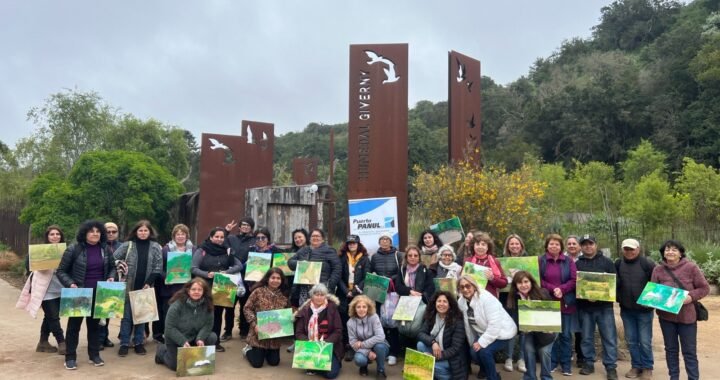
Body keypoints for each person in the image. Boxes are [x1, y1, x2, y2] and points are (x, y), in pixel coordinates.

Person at [56, 220, 116, 370]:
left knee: (95, 327)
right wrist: (70, 284)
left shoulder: (105, 249)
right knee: (74, 327)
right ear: (85, 233)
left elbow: (113, 268)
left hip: (100, 293)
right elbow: (61, 271)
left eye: (98, 231)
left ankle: (94, 355)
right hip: (79, 293)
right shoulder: (73, 249)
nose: (95, 234)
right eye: (91, 231)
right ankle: (70, 357)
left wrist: (111, 277)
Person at [651, 240, 709, 380]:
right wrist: (651, 300)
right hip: (666, 318)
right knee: (671, 351)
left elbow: (704, 288)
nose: (670, 252)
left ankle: (693, 378)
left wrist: (691, 297)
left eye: (674, 249)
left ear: (680, 253)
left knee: (689, 352)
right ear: (663, 253)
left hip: (687, 318)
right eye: (667, 249)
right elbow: (653, 291)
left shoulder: (691, 267)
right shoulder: (658, 270)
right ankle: (674, 377)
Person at [113, 220, 163, 357]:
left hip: (145, 286)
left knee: (141, 317)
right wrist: (120, 264)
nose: (143, 233)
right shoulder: (128, 245)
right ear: (135, 231)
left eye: (145, 230)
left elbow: (158, 267)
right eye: (140, 230)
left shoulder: (155, 247)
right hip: (128, 287)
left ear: (150, 232)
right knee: (127, 317)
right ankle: (124, 343)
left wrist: (148, 282)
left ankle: (138, 343)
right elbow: (113, 258)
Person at [191, 227, 243, 352]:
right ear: (211, 237)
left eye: (221, 237)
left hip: (222, 286)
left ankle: (215, 342)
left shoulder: (227, 251)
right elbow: (193, 268)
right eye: (217, 237)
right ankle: (198, 341)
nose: (219, 239)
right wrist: (207, 274)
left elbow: (239, 265)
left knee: (218, 315)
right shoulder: (202, 250)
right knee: (203, 314)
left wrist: (227, 271)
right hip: (204, 286)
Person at [17, 225, 66, 355]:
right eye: (52, 234)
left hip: (61, 288)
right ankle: (62, 342)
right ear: (47, 237)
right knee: (54, 317)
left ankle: (43, 342)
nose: (55, 236)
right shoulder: (39, 251)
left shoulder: (66, 250)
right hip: (45, 289)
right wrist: (39, 265)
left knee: (49, 316)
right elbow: (29, 266)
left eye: (57, 234)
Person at [457, 275, 517, 380]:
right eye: (462, 287)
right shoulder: (461, 302)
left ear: (474, 286)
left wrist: (481, 343)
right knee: (473, 352)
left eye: (468, 286)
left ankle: (493, 377)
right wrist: (474, 342)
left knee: (485, 352)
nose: (465, 289)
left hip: (502, 332)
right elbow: (468, 325)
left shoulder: (486, 298)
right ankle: (486, 370)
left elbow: (495, 325)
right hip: (483, 332)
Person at [575, 235, 618, 379]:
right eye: (585, 244)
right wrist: (584, 294)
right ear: (581, 247)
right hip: (585, 308)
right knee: (586, 338)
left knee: (609, 338)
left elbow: (615, 283)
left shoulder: (607, 262)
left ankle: (611, 367)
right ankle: (588, 363)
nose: (588, 246)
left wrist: (601, 292)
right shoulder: (577, 264)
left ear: (596, 245)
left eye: (590, 244)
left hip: (604, 308)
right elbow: (574, 284)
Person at [154, 278, 216, 371]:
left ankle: (196, 353)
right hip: (176, 339)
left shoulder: (208, 305)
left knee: (212, 336)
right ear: (188, 290)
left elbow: (208, 325)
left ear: (204, 291)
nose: (196, 292)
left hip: (194, 338)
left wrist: (200, 338)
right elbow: (169, 328)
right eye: (194, 289)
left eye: (200, 290)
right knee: (176, 366)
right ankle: (161, 351)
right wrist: (183, 341)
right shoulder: (177, 305)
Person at [615, 238, 655, 379]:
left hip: (644, 310)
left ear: (638, 249)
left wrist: (651, 301)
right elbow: (614, 284)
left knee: (644, 341)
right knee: (631, 340)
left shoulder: (647, 263)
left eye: (632, 249)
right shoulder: (618, 263)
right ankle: (636, 366)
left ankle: (647, 367)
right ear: (622, 250)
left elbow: (656, 283)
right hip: (626, 310)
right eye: (626, 249)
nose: (629, 251)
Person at [539, 233, 577, 376]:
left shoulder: (568, 261)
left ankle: (566, 364)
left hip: (566, 303)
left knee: (566, 335)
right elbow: (538, 279)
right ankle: (553, 362)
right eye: (551, 244)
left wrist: (561, 289)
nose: (554, 246)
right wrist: (552, 289)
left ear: (561, 246)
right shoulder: (541, 261)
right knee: (551, 335)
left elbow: (574, 280)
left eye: (556, 244)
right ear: (547, 246)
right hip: (548, 303)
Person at [506, 271, 555, 380]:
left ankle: (546, 377)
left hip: (546, 331)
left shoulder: (543, 293)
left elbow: (552, 312)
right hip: (528, 332)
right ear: (515, 285)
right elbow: (514, 319)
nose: (523, 285)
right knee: (528, 352)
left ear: (531, 282)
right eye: (519, 283)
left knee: (544, 352)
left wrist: (550, 327)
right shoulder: (513, 298)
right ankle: (530, 377)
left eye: (526, 281)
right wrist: (521, 328)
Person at [242, 267, 291, 368]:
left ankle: (266, 352)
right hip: (258, 333)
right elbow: (247, 308)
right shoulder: (258, 291)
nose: (275, 280)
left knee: (274, 362)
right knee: (257, 363)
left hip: (274, 336)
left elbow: (287, 314)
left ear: (281, 280)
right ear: (267, 279)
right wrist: (254, 324)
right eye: (273, 277)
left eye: (278, 278)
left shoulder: (284, 295)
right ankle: (247, 349)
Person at [295, 283, 344, 379]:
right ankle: (316, 365)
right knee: (323, 368)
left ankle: (319, 366)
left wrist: (325, 343)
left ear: (325, 296)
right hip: (311, 346)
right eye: (316, 294)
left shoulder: (332, 308)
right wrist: (309, 342)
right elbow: (299, 332)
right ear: (312, 296)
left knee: (331, 375)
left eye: (322, 295)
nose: (319, 297)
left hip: (328, 346)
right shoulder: (305, 310)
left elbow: (338, 330)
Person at [416, 291, 469, 380]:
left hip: (452, 360)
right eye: (439, 301)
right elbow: (421, 333)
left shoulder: (457, 320)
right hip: (437, 351)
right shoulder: (432, 316)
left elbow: (455, 349)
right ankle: (435, 374)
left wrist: (433, 358)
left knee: (423, 365)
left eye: (445, 301)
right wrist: (433, 342)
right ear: (435, 303)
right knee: (420, 345)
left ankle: (444, 375)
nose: (441, 304)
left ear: (450, 305)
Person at [156, 224, 194, 344]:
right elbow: (159, 268)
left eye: (183, 234)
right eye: (178, 234)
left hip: (186, 287)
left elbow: (196, 266)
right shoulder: (166, 249)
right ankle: (165, 335)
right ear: (174, 236)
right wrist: (166, 276)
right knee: (168, 312)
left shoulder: (193, 249)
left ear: (187, 235)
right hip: (169, 287)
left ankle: (182, 336)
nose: (180, 236)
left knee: (185, 313)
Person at [369, 232, 402, 365]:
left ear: (390, 241)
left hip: (393, 293)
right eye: (382, 239)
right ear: (379, 242)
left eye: (387, 239)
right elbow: (371, 272)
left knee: (393, 324)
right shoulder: (375, 257)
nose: (384, 241)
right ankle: (383, 350)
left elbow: (401, 272)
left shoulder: (398, 255)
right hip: (378, 292)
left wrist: (390, 280)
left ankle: (394, 352)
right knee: (379, 322)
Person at [288, 228, 341, 307]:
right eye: (313, 236)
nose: (315, 238)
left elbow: (337, 269)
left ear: (323, 239)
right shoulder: (303, 250)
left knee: (321, 313)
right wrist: (300, 263)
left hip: (322, 289)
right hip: (304, 290)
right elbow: (290, 262)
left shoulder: (329, 250)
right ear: (309, 238)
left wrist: (329, 285)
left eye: (317, 236)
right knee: (305, 313)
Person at [337, 234, 370, 361]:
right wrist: (346, 291)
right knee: (345, 320)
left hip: (358, 294)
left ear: (358, 244)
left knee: (356, 321)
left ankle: (354, 347)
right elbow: (338, 276)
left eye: (354, 243)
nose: (352, 245)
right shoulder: (341, 257)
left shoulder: (365, 259)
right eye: (349, 243)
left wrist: (355, 291)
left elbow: (366, 276)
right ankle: (345, 345)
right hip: (344, 294)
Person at [224, 217, 256, 339]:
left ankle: (244, 330)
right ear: (239, 227)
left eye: (248, 225)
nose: (245, 227)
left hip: (247, 278)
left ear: (251, 228)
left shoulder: (254, 240)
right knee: (229, 306)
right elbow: (221, 241)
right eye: (243, 225)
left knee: (245, 306)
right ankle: (227, 331)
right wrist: (226, 231)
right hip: (231, 276)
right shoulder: (231, 238)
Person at [500, 233, 528, 373]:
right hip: (508, 300)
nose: (514, 246)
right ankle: (508, 358)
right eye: (511, 243)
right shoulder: (502, 262)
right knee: (511, 329)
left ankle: (522, 359)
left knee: (524, 331)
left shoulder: (528, 261)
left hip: (524, 300)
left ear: (521, 245)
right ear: (508, 246)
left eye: (517, 243)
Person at [346, 295, 389, 378]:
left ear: (368, 308)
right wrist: (368, 352)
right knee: (359, 359)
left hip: (378, 346)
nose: (361, 309)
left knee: (379, 347)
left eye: (364, 307)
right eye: (358, 307)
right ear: (354, 308)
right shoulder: (350, 322)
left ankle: (381, 370)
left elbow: (380, 336)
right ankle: (363, 366)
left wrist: (362, 344)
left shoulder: (374, 317)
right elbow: (352, 342)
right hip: (363, 350)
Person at [98, 221, 122, 350]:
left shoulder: (123, 246)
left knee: (109, 312)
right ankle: (99, 339)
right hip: (99, 281)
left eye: (114, 231)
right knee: (99, 312)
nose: (111, 234)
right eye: (108, 232)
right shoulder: (99, 245)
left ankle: (105, 337)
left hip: (116, 282)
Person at [463, 232, 508, 298]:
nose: (480, 247)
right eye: (477, 244)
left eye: (483, 244)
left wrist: (492, 278)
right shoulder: (468, 261)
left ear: (487, 247)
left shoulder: (495, 262)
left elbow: (504, 283)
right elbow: (461, 281)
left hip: (490, 299)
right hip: (472, 298)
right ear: (473, 246)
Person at [287, 227, 310, 353]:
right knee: (297, 315)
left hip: (308, 288)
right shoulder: (292, 252)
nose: (298, 239)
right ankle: (296, 341)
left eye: (300, 237)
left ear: (306, 237)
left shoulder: (312, 250)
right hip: (295, 287)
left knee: (309, 314)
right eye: (295, 238)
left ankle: (308, 341)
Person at [564, 234, 583, 368]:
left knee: (580, 328)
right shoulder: (562, 259)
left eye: (574, 243)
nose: (571, 246)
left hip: (583, 299)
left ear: (579, 246)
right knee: (566, 328)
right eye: (569, 243)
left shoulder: (583, 259)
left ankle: (580, 356)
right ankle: (566, 354)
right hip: (566, 296)